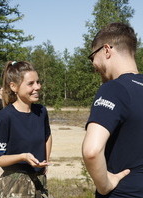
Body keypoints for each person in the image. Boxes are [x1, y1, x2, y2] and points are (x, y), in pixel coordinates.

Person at [82, 22, 143, 197]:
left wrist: (105, 185)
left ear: (107, 50)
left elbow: (91, 151)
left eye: (92, 56)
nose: (93, 64)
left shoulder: (114, 89)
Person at [0, 61, 53, 197]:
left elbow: (47, 136)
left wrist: (44, 162)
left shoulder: (41, 111)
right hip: (14, 186)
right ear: (14, 87)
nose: (37, 87)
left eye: (38, 82)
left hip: (39, 180)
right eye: (31, 83)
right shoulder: (4, 118)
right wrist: (22, 157)